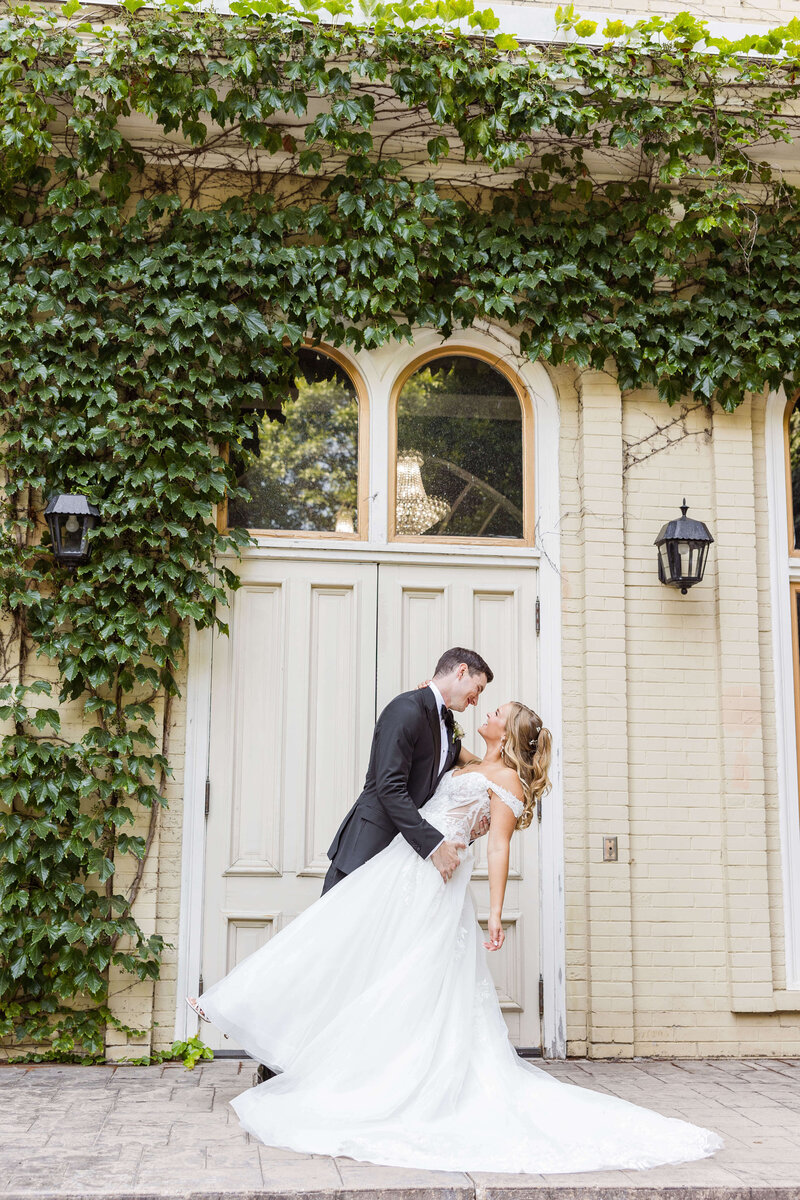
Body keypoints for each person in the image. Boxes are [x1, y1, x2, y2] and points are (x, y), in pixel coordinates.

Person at [187, 698, 724, 1174]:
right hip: (401, 867)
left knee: (396, 973)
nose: (486, 712)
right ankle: (247, 1010)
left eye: (498, 713)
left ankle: (366, 1073)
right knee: (336, 941)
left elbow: (497, 848)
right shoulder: (470, 758)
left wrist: (494, 913)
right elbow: (429, 773)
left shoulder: (506, 781)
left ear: (509, 734)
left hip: (434, 883)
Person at [322, 646, 493, 894]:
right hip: (367, 847)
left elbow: (476, 772)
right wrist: (435, 846)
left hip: (401, 859)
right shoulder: (406, 709)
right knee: (333, 930)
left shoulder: (447, 726)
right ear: (461, 671)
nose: (476, 700)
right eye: (477, 689)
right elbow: (389, 788)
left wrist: (492, 796)